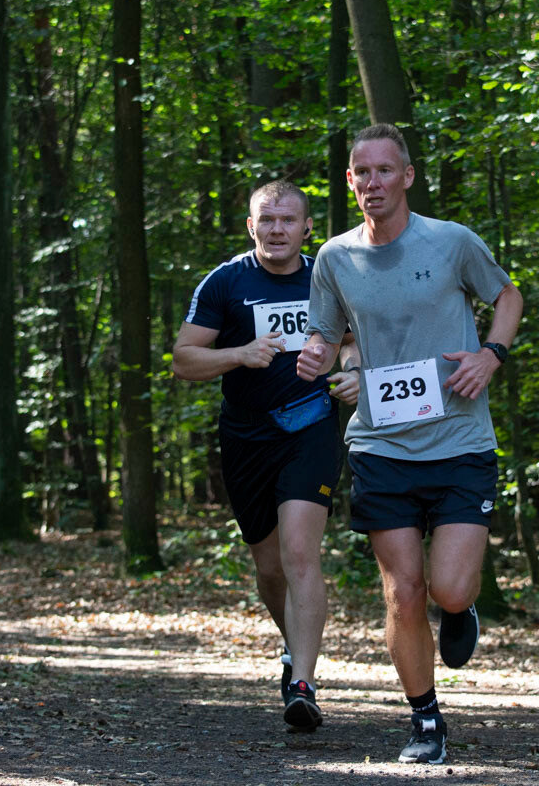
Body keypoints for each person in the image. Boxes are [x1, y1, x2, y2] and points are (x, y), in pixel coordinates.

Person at [296, 123, 523, 764]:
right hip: (380, 443)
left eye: (384, 171)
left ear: (407, 176)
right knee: (403, 591)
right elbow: (330, 333)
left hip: (459, 438)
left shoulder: (451, 242)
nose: (372, 183)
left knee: (449, 589)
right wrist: (321, 357)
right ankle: (425, 720)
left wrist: (490, 354)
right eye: (361, 173)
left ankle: (462, 610)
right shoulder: (336, 258)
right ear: (349, 182)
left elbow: (508, 295)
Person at [171, 179, 360, 732]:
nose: (277, 230)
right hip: (246, 436)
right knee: (270, 567)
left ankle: (303, 684)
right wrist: (239, 354)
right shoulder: (226, 282)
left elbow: (353, 340)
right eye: (267, 221)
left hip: (310, 428)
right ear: (251, 226)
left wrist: (352, 372)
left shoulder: (327, 276)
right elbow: (184, 359)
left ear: (306, 227)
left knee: (301, 553)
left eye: (288, 221)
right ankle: (291, 650)